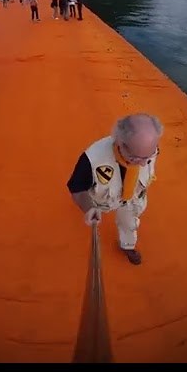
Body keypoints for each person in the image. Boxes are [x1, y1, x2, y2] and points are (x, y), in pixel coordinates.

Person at [66, 113, 164, 266]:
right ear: (119, 141)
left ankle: (128, 246)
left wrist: (141, 157)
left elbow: (144, 159)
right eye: (135, 158)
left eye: (148, 157)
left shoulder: (147, 150)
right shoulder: (92, 159)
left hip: (133, 198)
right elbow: (77, 188)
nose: (144, 164)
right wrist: (89, 207)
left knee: (130, 224)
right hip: (103, 202)